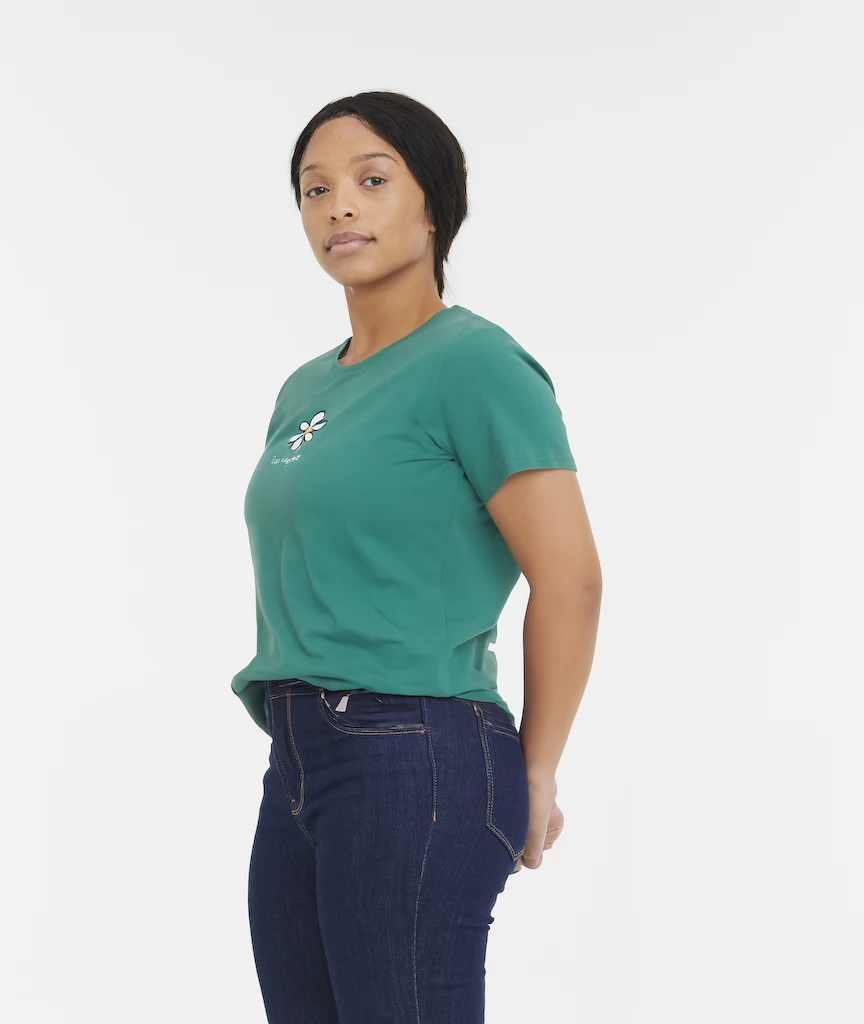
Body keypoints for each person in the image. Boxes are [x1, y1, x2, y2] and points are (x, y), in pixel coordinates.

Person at [231, 91, 602, 1024]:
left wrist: (537, 769)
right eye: (315, 190)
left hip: (416, 754)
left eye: (371, 180)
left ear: (433, 203)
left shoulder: (475, 363)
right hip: (299, 754)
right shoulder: (304, 390)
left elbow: (570, 578)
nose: (339, 207)